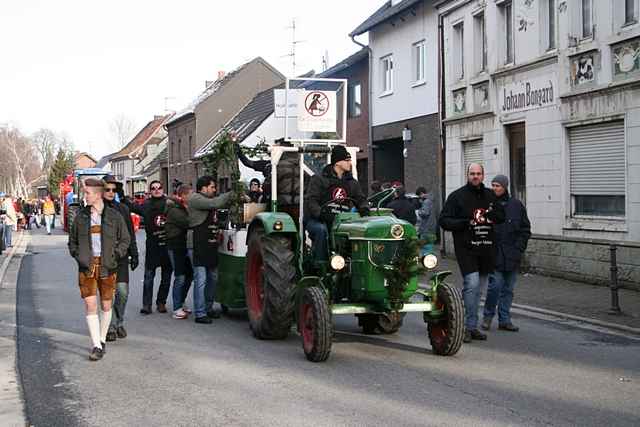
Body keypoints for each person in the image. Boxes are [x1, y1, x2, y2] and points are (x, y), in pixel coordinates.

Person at [439, 163, 505, 344]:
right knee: (472, 283)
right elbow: (443, 220)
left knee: (478, 290)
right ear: (467, 175)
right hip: (466, 249)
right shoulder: (457, 196)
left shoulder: (491, 196)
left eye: (478, 173)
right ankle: (467, 326)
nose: (475, 176)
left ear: (483, 176)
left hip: (486, 248)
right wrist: (464, 223)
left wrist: (492, 215)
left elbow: (501, 217)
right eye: (472, 173)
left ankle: (470, 324)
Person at [67, 178, 130, 361]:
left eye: (87, 192)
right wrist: (78, 256)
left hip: (107, 266)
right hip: (86, 266)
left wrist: (114, 255)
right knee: (90, 304)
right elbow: (72, 241)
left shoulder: (114, 216)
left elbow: (125, 239)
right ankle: (96, 345)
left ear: (98, 194)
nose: (85, 195)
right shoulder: (81, 216)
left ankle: (102, 339)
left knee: (106, 305)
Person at [481, 175, 531, 333]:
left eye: (498, 185)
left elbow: (525, 229)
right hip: (494, 255)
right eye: (493, 185)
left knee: (508, 290)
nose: (495, 188)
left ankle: (504, 319)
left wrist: (519, 248)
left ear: (505, 187)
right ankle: (487, 317)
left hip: (512, 256)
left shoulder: (516, 205)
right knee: (494, 287)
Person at [304, 145, 369, 262]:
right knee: (321, 230)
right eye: (347, 160)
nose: (350, 163)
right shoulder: (319, 179)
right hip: (319, 219)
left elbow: (361, 199)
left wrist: (364, 209)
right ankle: (321, 265)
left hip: (343, 220)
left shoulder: (352, 183)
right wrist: (321, 214)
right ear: (338, 162)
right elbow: (311, 200)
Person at [187, 176, 234, 324]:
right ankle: (200, 313)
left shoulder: (206, 201)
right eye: (213, 187)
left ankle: (208, 307)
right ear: (204, 188)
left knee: (213, 278)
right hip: (198, 244)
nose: (214, 190)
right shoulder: (195, 199)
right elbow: (216, 202)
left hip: (210, 244)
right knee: (200, 280)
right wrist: (232, 192)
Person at [126, 180, 172, 315]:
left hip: (167, 245)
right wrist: (122, 197)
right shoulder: (146, 205)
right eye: (153, 188)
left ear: (163, 189)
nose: (157, 190)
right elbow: (133, 207)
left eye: (159, 187)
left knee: (167, 277)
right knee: (148, 277)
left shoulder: (170, 204)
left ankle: (161, 303)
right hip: (152, 246)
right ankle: (147, 305)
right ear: (150, 191)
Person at [102, 175, 139, 342]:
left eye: (113, 189)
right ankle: (109, 327)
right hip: (104, 258)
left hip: (122, 256)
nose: (110, 192)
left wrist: (135, 253)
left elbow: (130, 233)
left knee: (122, 292)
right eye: (107, 189)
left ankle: (118, 322)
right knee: (107, 294)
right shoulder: (96, 209)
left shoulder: (123, 209)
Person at [165, 184, 193, 319]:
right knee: (180, 276)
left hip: (184, 245)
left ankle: (181, 302)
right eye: (190, 195)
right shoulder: (175, 210)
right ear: (182, 196)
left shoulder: (182, 207)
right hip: (176, 245)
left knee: (188, 275)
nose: (192, 198)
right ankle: (176, 308)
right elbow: (188, 222)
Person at [416, 187, 437, 255]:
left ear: (421, 193)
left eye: (419, 196)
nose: (419, 198)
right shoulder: (431, 200)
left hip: (426, 227)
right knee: (430, 246)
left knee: (425, 247)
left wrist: (419, 211)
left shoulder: (426, 201)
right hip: (431, 226)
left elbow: (425, 213)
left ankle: (426, 260)